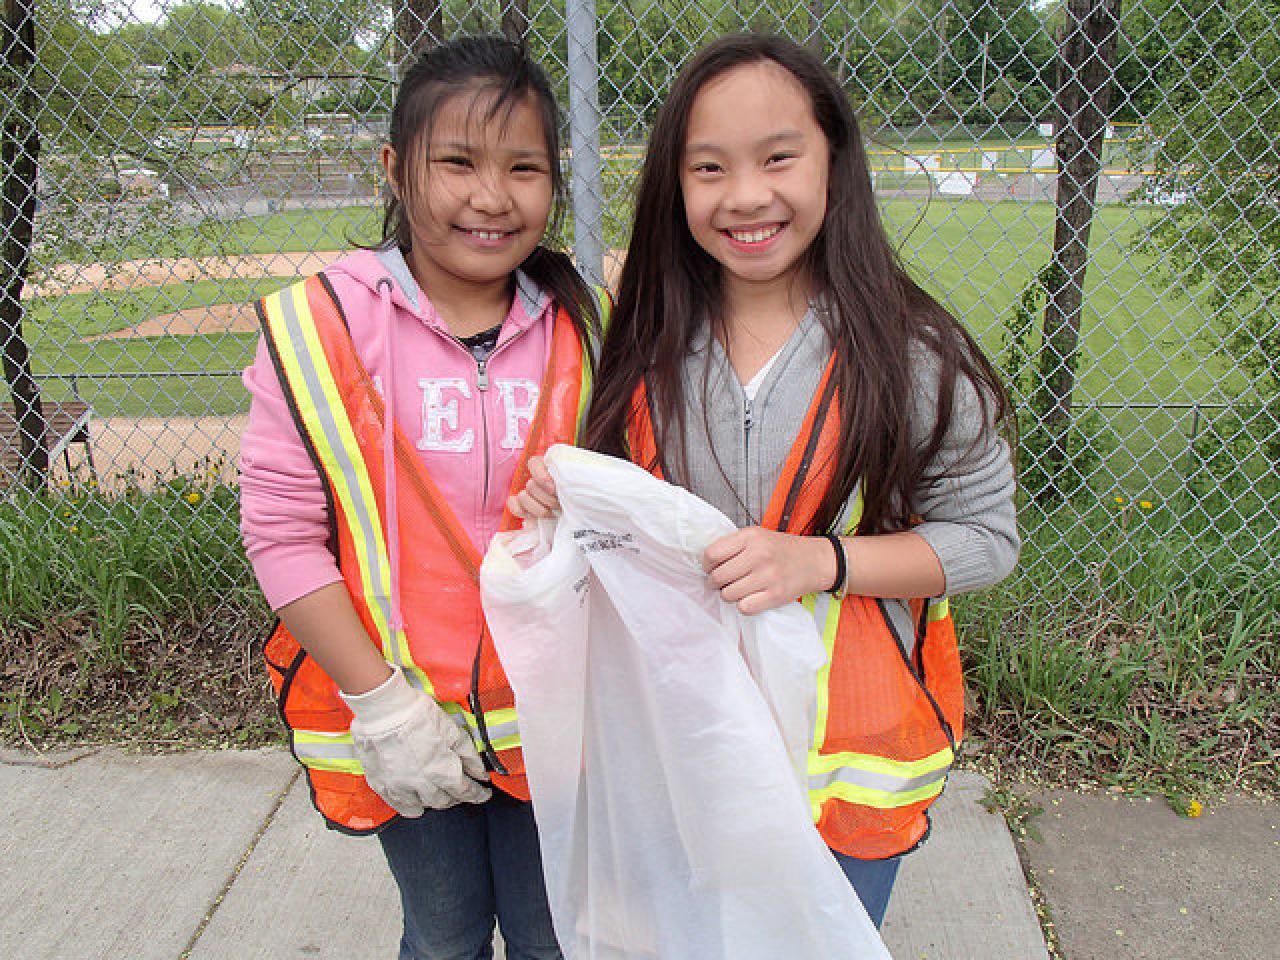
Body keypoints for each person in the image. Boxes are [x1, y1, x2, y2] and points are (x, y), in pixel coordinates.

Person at [511, 33, 1019, 928]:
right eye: (709, 168)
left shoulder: (915, 354)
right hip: (688, 749)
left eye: (778, 157)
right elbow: (619, 529)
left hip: (847, 761)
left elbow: (984, 540)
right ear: (676, 185)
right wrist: (565, 502)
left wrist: (822, 562)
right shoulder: (643, 346)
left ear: (833, 162)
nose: (746, 196)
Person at [239, 35, 599, 960]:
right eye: (458, 162)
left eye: (524, 167)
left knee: (551, 936)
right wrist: (383, 706)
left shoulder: (589, 323)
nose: (492, 196)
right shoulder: (321, 326)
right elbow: (282, 535)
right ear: (397, 170)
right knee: (441, 934)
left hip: (553, 719)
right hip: (405, 714)